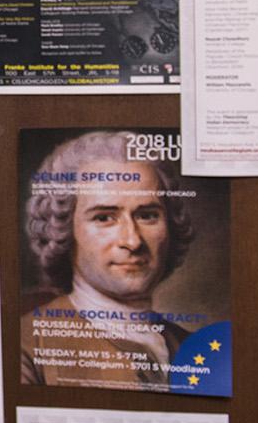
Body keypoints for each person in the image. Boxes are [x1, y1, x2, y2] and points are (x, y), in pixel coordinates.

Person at [20, 131, 195, 390]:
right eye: (104, 218)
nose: (133, 241)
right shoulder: (26, 345)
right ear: (63, 229)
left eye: (147, 215)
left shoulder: (194, 346)